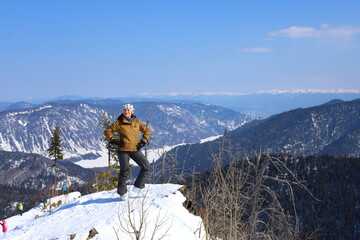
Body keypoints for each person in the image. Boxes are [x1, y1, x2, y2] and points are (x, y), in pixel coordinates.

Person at [104, 104, 151, 200]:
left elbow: (147, 131)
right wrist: (114, 140)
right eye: (125, 110)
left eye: (128, 110)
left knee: (146, 166)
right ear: (123, 111)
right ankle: (122, 193)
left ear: (132, 112)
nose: (127, 112)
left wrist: (143, 141)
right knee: (125, 171)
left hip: (135, 149)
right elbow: (107, 131)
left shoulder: (137, 122)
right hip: (123, 150)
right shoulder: (119, 123)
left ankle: (138, 187)